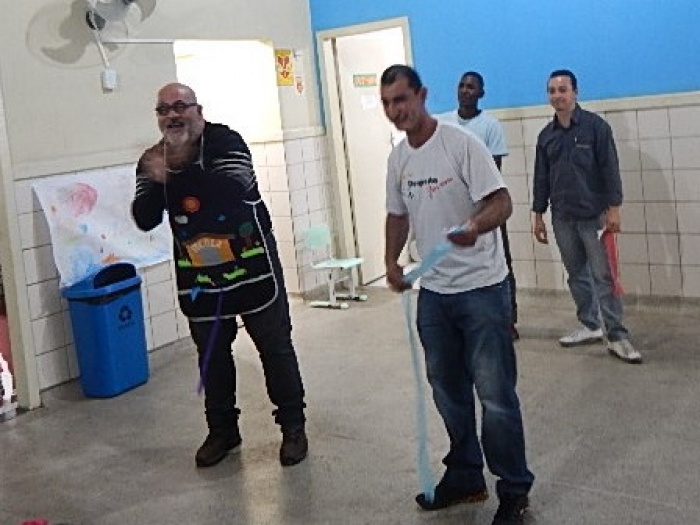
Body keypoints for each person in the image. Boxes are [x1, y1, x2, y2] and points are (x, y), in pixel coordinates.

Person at [380, 64, 534, 525]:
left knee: (495, 396)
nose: (396, 111)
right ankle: (466, 476)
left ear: (422, 95)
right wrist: (391, 261)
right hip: (435, 294)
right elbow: (397, 215)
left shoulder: (461, 144)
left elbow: (502, 203)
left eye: (402, 99)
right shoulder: (398, 159)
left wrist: (474, 226)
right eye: (387, 103)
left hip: (482, 289)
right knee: (447, 391)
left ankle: (514, 489)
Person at [131, 82, 308, 468]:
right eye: (164, 109)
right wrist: (158, 181)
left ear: (198, 110)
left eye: (181, 106)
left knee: (274, 347)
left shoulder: (227, 142)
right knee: (211, 354)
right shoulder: (152, 160)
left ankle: (293, 428)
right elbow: (144, 217)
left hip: (252, 267)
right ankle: (222, 431)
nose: (173, 115)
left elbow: (230, 190)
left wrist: (172, 176)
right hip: (199, 278)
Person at [532, 69, 642, 364]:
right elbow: (541, 178)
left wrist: (614, 208)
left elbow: (610, 170)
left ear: (575, 92)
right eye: (552, 91)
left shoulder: (596, 128)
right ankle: (591, 325)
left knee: (604, 277)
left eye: (563, 89)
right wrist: (538, 213)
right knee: (577, 275)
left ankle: (616, 336)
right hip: (562, 218)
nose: (557, 95)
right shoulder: (546, 136)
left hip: (595, 217)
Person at [437, 71, 519, 340]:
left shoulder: (490, 126)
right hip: (452, 207)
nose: (465, 90)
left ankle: (507, 319)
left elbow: (494, 172)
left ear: (481, 93)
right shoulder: (444, 123)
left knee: (501, 261)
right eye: (461, 85)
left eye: (471, 87)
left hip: (486, 207)